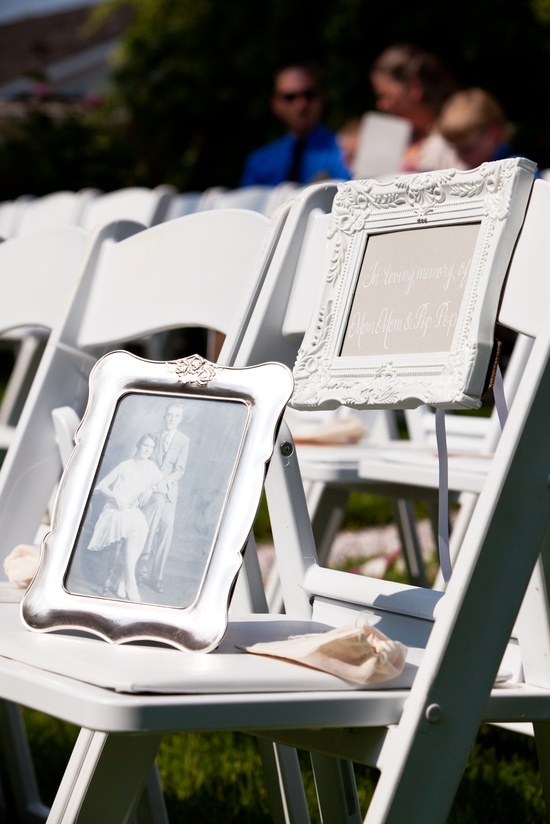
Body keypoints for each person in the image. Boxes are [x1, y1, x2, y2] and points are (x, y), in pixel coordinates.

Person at [240, 61, 351, 186]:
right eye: (290, 97)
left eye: (308, 94)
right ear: (275, 105)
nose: (301, 104)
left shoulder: (346, 151)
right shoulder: (258, 161)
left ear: (321, 98)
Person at [87, 433, 163, 601]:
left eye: (151, 448)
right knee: (135, 527)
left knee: (141, 527)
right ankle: (130, 583)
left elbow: (163, 486)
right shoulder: (125, 465)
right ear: (138, 445)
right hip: (114, 510)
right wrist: (116, 497)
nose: (147, 450)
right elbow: (101, 486)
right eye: (145, 446)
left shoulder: (151, 468)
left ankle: (123, 581)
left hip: (131, 511)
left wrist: (151, 489)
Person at [370, 43, 464, 173]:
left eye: (385, 96)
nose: (382, 105)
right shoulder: (391, 143)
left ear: (414, 87)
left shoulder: (457, 137)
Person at [137, 401, 190, 593]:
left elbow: (179, 470)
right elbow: (147, 464)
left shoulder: (184, 440)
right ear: (164, 416)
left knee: (167, 528)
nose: (172, 419)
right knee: (150, 524)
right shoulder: (154, 437)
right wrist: (153, 485)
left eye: (176, 416)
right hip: (150, 491)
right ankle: (141, 564)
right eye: (169, 415)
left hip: (168, 492)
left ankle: (156, 576)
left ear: (180, 419)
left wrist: (162, 483)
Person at [437, 87, 515, 169]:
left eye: (467, 150)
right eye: (457, 150)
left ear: (495, 134)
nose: (460, 158)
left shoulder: (514, 169)